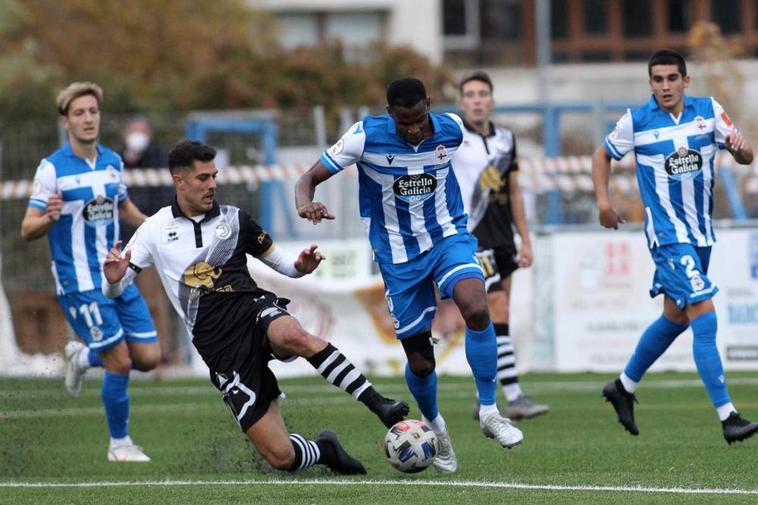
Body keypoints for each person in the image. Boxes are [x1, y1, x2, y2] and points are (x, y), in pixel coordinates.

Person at [102, 140, 409, 475]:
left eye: (214, 176)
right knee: (282, 458)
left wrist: (302, 267)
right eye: (203, 178)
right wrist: (113, 279)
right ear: (180, 181)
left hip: (252, 311)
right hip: (219, 347)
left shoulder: (236, 220)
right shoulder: (154, 230)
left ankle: (379, 404)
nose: (212, 185)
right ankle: (324, 450)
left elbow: (286, 267)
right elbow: (113, 291)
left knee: (293, 334)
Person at [295, 77, 524, 474]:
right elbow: (306, 179)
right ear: (390, 115)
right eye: (405, 123)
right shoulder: (363, 136)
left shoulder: (451, 130)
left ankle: (490, 410)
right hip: (398, 258)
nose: (414, 129)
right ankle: (435, 425)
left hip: (448, 237)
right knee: (420, 362)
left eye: (419, 119)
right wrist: (306, 204)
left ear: (429, 106)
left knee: (475, 306)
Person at [592, 49, 757, 444]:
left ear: (686, 80)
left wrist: (739, 149)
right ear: (650, 83)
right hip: (667, 235)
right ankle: (728, 415)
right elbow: (602, 155)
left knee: (675, 318)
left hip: (701, 233)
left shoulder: (708, 111)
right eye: (657, 79)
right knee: (704, 313)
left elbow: (747, 156)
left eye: (671, 78)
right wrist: (603, 202)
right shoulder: (636, 122)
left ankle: (623, 386)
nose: (665, 86)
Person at [21, 82, 161, 462]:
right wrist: (48, 218)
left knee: (148, 357)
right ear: (66, 121)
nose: (87, 119)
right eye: (79, 113)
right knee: (120, 361)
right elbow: (27, 227)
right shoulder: (52, 169)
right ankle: (120, 445)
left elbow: (126, 208)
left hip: (118, 277)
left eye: (93, 112)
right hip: (78, 281)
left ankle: (82, 359)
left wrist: (159, 230)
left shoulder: (113, 161)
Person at [453, 71, 549, 421]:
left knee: (494, 321)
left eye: (482, 94)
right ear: (461, 103)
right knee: (498, 307)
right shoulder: (452, 137)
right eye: (470, 94)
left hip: (503, 237)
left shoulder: (507, 140)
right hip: (471, 237)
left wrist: (525, 237)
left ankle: (485, 396)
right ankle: (514, 396)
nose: (477, 100)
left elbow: (514, 192)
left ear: (492, 100)